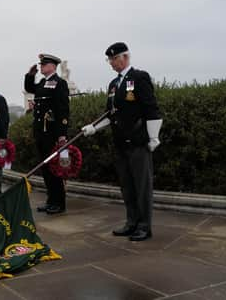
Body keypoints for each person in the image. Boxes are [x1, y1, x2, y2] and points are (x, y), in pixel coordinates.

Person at [81, 42, 163, 241]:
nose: (111, 63)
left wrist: (154, 137)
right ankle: (131, 222)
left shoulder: (139, 77)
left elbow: (151, 109)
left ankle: (144, 226)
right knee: (127, 186)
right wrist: (94, 127)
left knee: (141, 186)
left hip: (137, 142)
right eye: (109, 59)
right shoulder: (113, 84)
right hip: (120, 143)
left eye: (114, 59)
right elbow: (110, 114)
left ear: (125, 57)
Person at [24, 54, 70, 215]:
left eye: (44, 64)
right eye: (41, 64)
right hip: (41, 133)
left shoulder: (60, 83)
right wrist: (30, 75)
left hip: (52, 133)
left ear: (53, 66)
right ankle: (51, 200)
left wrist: (62, 135)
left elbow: (63, 110)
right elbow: (31, 88)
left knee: (55, 170)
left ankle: (59, 203)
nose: (41, 67)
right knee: (46, 169)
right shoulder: (43, 82)